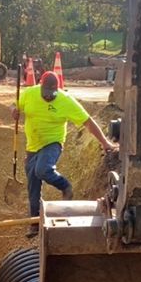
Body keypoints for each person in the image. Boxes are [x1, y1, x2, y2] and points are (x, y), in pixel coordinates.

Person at [15, 70, 117, 237]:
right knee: (33, 188)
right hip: (32, 147)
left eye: (52, 93)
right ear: (40, 86)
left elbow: (88, 122)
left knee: (42, 169)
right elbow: (16, 105)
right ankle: (34, 223)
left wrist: (105, 143)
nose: (49, 97)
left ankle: (65, 186)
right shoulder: (29, 93)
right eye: (46, 93)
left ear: (58, 89)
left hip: (52, 144)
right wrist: (14, 110)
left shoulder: (66, 101)